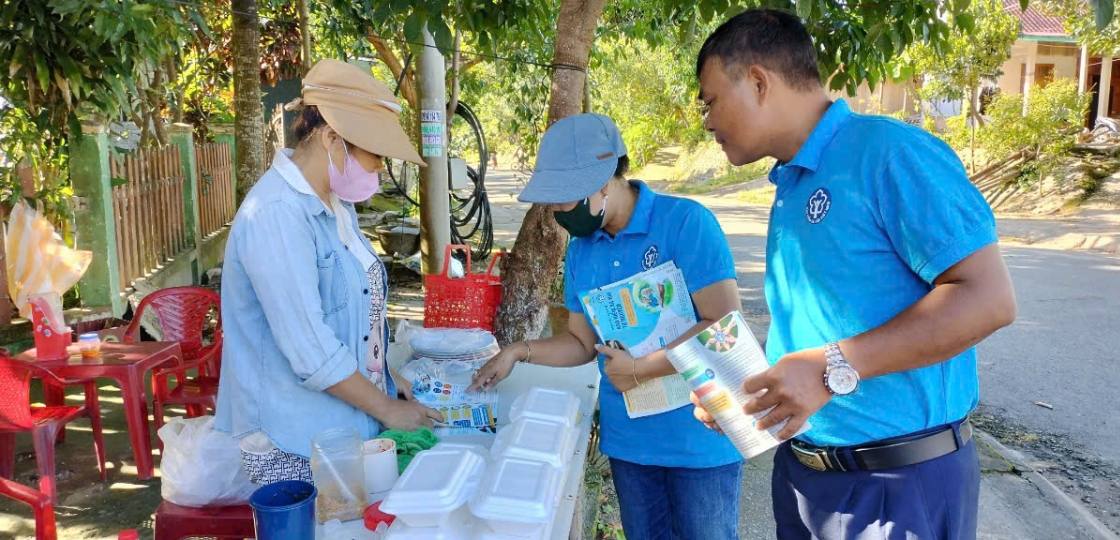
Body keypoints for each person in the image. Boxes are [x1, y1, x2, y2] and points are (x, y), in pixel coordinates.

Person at [692, 9, 1018, 540]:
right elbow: (815, 335)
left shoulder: (890, 154)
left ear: (757, 81)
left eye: (710, 101)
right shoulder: (791, 184)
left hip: (898, 486)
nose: (707, 120)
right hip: (806, 480)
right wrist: (751, 399)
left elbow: (988, 298)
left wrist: (830, 368)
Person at [468, 113, 746, 540]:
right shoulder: (582, 252)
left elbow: (723, 327)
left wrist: (640, 369)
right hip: (631, 446)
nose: (560, 211)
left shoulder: (686, 223)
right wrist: (518, 351)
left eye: (565, 198)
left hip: (699, 442)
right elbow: (581, 343)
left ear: (604, 180)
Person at [215, 59, 442, 485]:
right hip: (294, 439)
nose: (378, 168)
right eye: (374, 155)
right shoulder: (277, 214)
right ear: (332, 138)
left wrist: (387, 380)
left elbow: (351, 318)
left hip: (343, 421)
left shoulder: (335, 206)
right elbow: (312, 350)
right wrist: (388, 408)